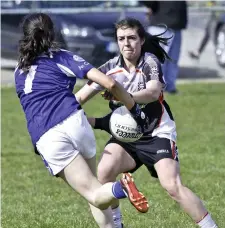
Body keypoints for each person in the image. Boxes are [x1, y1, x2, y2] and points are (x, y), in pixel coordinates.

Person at [75, 18, 218, 228]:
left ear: (141, 40)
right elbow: (79, 98)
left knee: (172, 185)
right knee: (104, 173)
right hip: (127, 135)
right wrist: (58, 113)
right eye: (121, 39)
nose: (126, 43)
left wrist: (121, 94)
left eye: (132, 38)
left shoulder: (149, 62)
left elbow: (152, 93)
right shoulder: (109, 69)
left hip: (157, 132)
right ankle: (116, 224)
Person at [15, 13, 149, 228]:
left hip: (47, 134)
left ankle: (121, 188)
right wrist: (134, 109)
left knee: (94, 194)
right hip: (76, 122)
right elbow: (110, 83)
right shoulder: (61, 56)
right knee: (95, 191)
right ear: (52, 33)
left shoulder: (18, 70)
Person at [139, 1, 188, 94]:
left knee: (173, 59)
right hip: (160, 26)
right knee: (158, 60)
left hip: (177, 25)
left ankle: (170, 87)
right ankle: (155, 87)